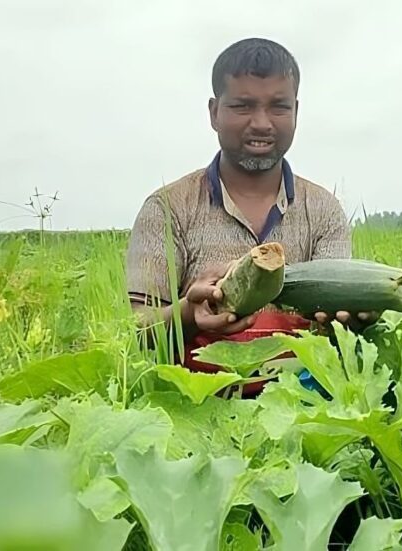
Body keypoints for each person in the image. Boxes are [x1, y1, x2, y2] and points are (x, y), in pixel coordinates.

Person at [125, 37, 374, 392]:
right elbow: (139, 331)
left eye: (278, 107)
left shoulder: (323, 210)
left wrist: (350, 320)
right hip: (196, 408)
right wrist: (188, 313)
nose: (261, 123)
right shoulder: (166, 209)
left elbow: (331, 319)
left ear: (296, 112)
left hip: (300, 406)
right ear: (214, 112)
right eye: (243, 106)